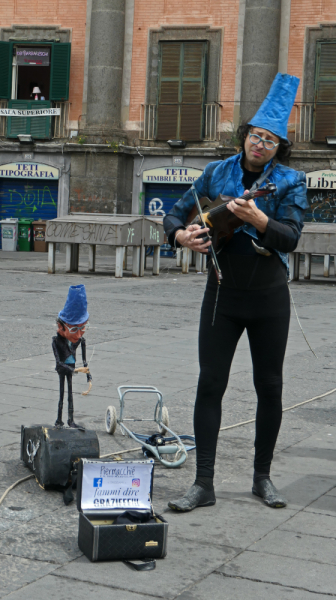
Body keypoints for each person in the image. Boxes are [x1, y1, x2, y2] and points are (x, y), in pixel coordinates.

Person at [164, 73, 308, 511]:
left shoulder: (289, 182)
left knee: (270, 387)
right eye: (255, 136)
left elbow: (291, 237)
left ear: (278, 147)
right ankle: (203, 483)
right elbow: (173, 216)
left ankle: (261, 478)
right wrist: (180, 238)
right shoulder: (215, 173)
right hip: (222, 297)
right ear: (244, 136)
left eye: (269, 140)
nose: (259, 144)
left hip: (269, 299)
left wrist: (260, 220)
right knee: (210, 384)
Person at [52, 284, 92, 428]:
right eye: (75, 329)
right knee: (62, 394)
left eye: (83, 328)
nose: (79, 334)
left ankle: (70, 420)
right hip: (64, 369)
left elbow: (84, 358)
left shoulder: (79, 340)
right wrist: (75, 370)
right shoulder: (56, 341)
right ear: (61, 326)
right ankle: (59, 419)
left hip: (72, 367)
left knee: (70, 395)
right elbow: (58, 362)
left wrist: (87, 373)